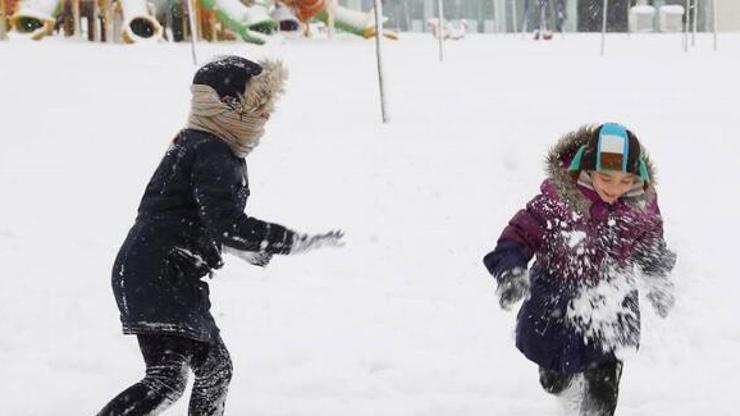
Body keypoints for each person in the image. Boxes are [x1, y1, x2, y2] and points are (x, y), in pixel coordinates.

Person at [98, 56, 344, 416]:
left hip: (158, 270)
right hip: (160, 273)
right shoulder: (210, 150)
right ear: (228, 104)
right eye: (259, 105)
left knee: (212, 371)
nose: (266, 116)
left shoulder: (200, 144)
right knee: (169, 379)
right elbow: (226, 223)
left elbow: (192, 217)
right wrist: (290, 241)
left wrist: (236, 248)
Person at [482, 123, 676, 415]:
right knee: (554, 380)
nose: (614, 188)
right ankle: (561, 383)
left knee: (604, 384)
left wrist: (657, 277)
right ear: (586, 168)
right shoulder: (558, 202)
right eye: (606, 177)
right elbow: (518, 235)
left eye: (626, 180)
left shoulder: (641, 206)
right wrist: (510, 271)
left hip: (611, 301)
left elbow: (650, 244)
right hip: (555, 300)